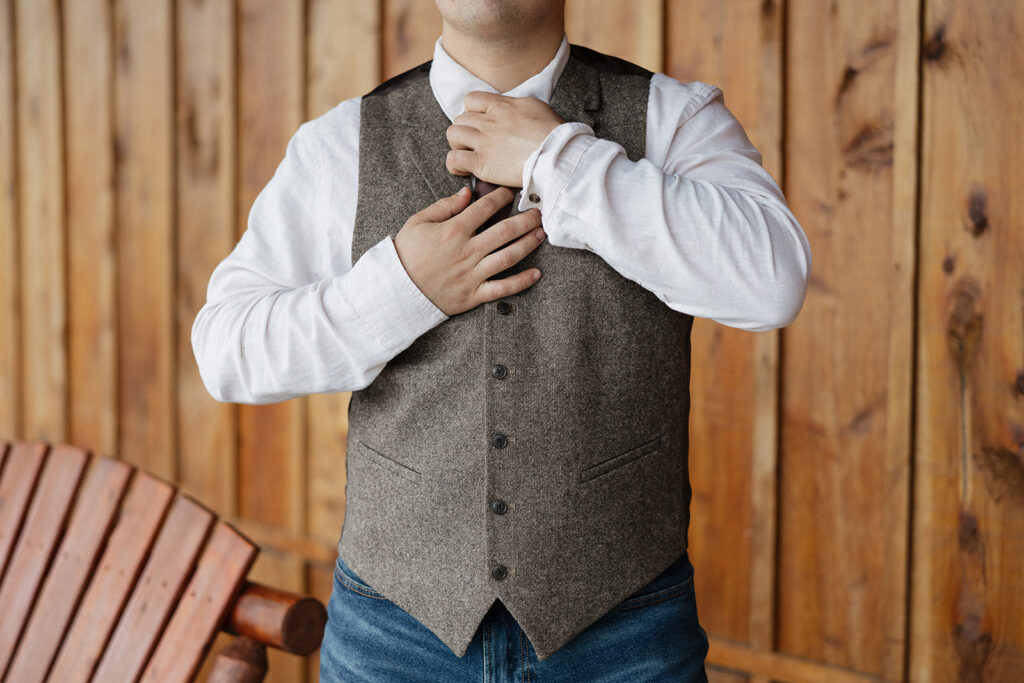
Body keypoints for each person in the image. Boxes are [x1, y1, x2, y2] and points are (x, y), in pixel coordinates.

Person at [192, 1, 811, 680]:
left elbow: (772, 279)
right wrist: (403, 287)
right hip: (392, 641)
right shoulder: (340, 145)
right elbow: (225, 350)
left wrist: (559, 160)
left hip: (625, 642)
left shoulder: (673, 121)